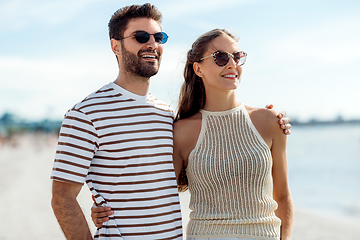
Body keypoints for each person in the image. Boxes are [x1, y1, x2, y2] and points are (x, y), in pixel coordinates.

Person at [52, 3, 291, 240]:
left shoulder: (166, 115)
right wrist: (100, 211)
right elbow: (62, 197)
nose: (152, 44)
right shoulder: (86, 113)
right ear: (116, 46)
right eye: (141, 36)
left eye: (159, 37)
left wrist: (264, 121)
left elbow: (166, 182)